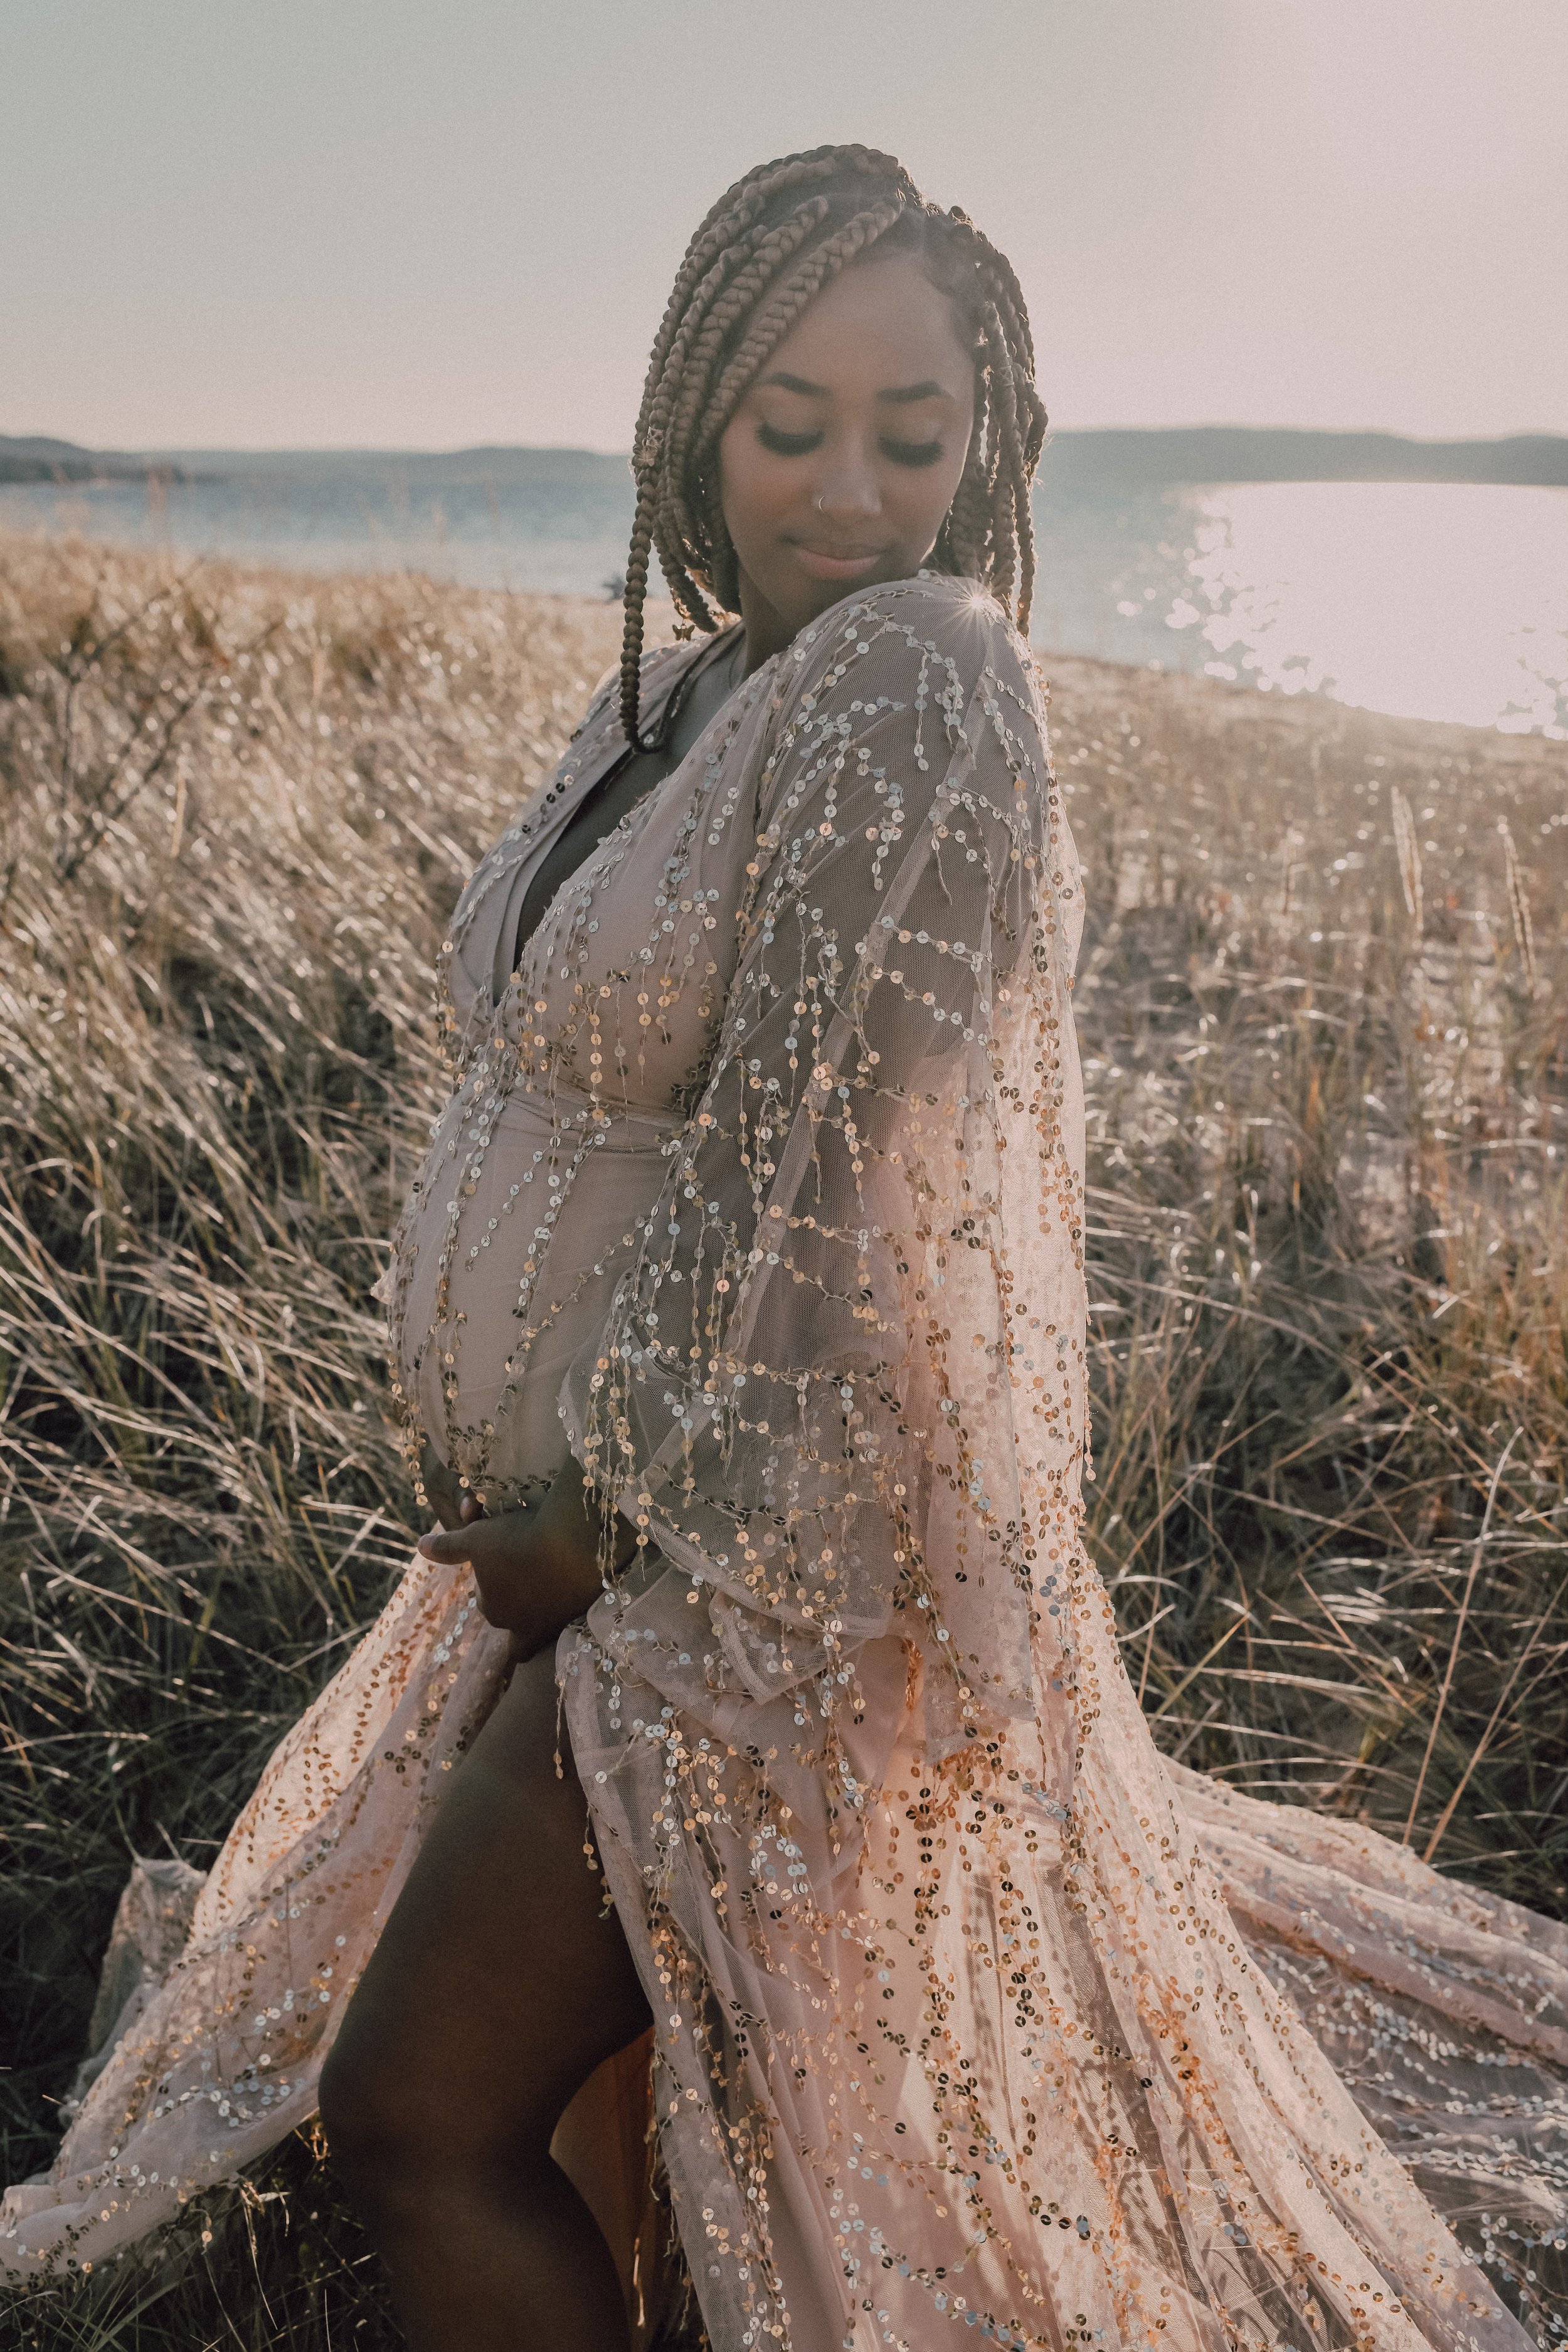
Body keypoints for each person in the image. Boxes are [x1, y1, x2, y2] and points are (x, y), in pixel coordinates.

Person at [5, 144, 1565, 2352]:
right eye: (789, 423)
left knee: (414, 2117)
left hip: (743, 1560)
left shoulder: (913, 676)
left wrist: (592, 1498)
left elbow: (826, 1173)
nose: (850, 488)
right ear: (688, 424)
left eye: (913, 436)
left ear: (989, 445)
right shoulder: (696, 690)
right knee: (587, 2147)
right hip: (598, 1559)